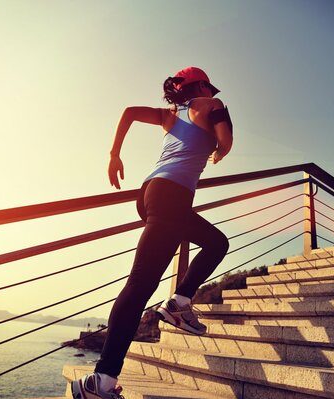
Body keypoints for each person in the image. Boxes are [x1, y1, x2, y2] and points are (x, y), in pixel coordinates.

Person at [71, 67, 233, 399]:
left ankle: (179, 301)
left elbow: (129, 112)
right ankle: (100, 381)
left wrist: (114, 154)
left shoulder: (171, 115)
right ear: (201, 86)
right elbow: (227, 141)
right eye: (208, 87)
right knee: (141, 284)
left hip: (150, 193)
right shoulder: (210, 106)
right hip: (172, 196)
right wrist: (218, 150)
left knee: (216, 242)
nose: (213, 93)